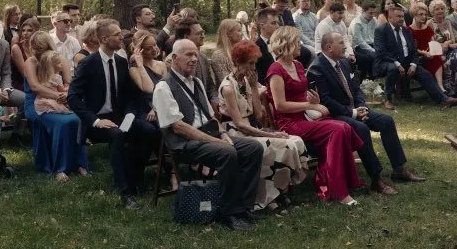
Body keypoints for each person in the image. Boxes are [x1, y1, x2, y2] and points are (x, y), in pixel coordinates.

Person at [154, 39, 264, 230]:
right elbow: (179, 127)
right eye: (188, 54)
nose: (194, 59)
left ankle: (243, 208)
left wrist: (222, 134)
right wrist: (217, 141)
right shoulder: (164, 87)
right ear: (174, 58)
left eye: (196, 54)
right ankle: (228, 213)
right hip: (184, 143)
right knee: (227, 153)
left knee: (253, 147)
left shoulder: (196, 82)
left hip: (208, 135)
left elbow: (211, 116)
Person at [309, 32, 424, 194]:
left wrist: (362, 106)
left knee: (386, 121)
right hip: (334, 116)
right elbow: (326, 101)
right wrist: (354, 113)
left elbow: (356, 89)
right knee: (361, 129)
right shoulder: (317, 68)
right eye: (341, 43)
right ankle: (376, 179)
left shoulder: (342, 63)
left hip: (355, 110)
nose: (345, 46)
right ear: (328, 48)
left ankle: (399, 169)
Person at [265, 27, 363, 205]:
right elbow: (280, 105)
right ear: (286, 44)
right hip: (288, 123)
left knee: (345, 127)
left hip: (304, 118)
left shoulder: (298, 65)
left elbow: (301, 96)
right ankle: (338, 191)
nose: (300, 45)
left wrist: (313, 99)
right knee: (337, 130)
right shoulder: (275, 70)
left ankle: (338, 182)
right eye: (297, 42)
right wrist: (311, 105)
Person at [70, 18, 158, 206]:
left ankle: (135, 179)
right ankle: (124, 191)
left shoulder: (120, 62)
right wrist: (95, 121)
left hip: (120, 116)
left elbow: (130, 95)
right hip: (97, 121)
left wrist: (130, 114)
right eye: (117, 34)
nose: (121, 37)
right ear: (103, 38)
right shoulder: (88, 64)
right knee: (117, 135)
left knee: (149, 131)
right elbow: (73, 98)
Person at [221, 40, 310, 211]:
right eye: (250, 63)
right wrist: (270, 135)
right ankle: (270, 197)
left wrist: (254, 87)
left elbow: (259, 115)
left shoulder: (245, 83)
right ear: (237, 62)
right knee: (282, 145)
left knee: (295, 141)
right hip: (236, 133)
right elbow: (239, 124)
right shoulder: (228, 87)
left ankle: (280, 191)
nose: (253, 68)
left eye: (255, 63)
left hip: (251, 129)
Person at [25, 32, 89, 181]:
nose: (36, 51)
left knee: (78, 120)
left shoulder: (58, 58)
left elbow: (68, 82)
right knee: (64, 124)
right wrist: (57, 96)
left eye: (39, 47)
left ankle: (79, 163)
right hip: (39, 102)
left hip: (61, 100)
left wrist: (65, 96)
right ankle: (60, 167)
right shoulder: (31, 62)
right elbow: (34, 87)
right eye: (34, 48)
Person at [374, 5, 457, 111]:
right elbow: (381, 52)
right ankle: (388, 100)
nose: (401, 19)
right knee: (393, 68)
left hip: (406, 61)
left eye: (402, 16)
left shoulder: (406, 31)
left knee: (425, 74)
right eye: (398, 16)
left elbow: (413, 51)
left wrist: (414, 64)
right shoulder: (381, 30)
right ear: (390, 18)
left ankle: (444, 99)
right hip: (387, 62)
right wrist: (397, 64)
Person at [125, 28, 165, 154]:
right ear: (140, 51)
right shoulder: (134, 68)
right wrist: (141, 64)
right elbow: (148, 89)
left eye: (155, 45)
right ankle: (139, 163)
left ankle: (167, 164)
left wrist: (156, 108)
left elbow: (164, 91)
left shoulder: (161, 65)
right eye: (148, 48)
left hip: (158, 106)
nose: (154, 49)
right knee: (149, 129)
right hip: (138, 110)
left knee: (165, 127)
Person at [427, 0, 457, 97]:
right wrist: (445, 45)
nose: (440, 11)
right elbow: (431, 42)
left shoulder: (447, 22)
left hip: (449, 49)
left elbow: (452, 39)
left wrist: (447, 44)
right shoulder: (429, 24)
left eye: (442, 8)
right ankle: (449, 89)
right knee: (446, 61)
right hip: (437, 51)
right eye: (437, 9)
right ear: (432, 11)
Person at [175, 18, 219, 104]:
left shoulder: (203, 58)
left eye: (203, 32)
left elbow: (210, 87)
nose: (203, 36)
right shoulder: (175, 61)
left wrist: (215, 102)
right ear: (186, 37)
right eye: (199, 33)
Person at [409, 3, 444, 95]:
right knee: (433, 60)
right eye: (421, 14)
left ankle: (441, 87)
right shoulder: (409, 30)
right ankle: (439, 89)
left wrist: (432, 52)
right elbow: (412, 48)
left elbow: (433, 43)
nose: (424, 17)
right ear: (414, 15)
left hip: (430, 54)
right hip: (417, 56)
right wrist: (424, 53)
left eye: (425, 14)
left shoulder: (428, 28)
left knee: (436, 58)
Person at [349, 0, 378, 80]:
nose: (372, 15)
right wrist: (373, 50)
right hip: (359, 48)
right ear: (363, 11)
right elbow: (360, 42)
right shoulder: (356, 23)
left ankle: (373, 80)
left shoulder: (374, 20)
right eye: (370, 13)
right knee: (373, 56)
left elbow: (376, 36)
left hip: (371, 44)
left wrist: (377, 48)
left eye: (373, 13)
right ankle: (373, 79)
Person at [210, 18, 244, 83]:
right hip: (229, 91)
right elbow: (226, 82)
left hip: (244, 90)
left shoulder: (239, 52)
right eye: (239, 31)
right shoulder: (218, 55)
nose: (242, 34)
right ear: (229, 34)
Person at [11, 14, 40, 90]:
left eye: (29, 30)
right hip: (22, 85)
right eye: (23, 30)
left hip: (39, 82)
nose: (25, 33)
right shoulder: (16, 48)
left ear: (37, 32)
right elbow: (25, 74)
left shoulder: (40, 47)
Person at [253, 7, 279, 84]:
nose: (277, 26)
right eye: (273, 23)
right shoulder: (256, 47)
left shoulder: (281, 43)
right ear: (262, 26)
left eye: (278, 23)